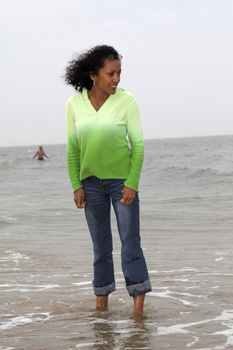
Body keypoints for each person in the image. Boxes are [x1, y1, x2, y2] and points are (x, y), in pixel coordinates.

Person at [65, 45, 152, 317]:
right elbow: (73, 148)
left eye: (119, 73)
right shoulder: (74, 104)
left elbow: (137, 145)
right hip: (90, 184)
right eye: (110, 73)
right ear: (94, 75)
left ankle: (138, 308)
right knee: (100, 247)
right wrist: (76, 185)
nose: (116, 79)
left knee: (130, 243)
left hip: (121, 182)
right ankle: (101, 306)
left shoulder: (127, 101)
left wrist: (132, 183)